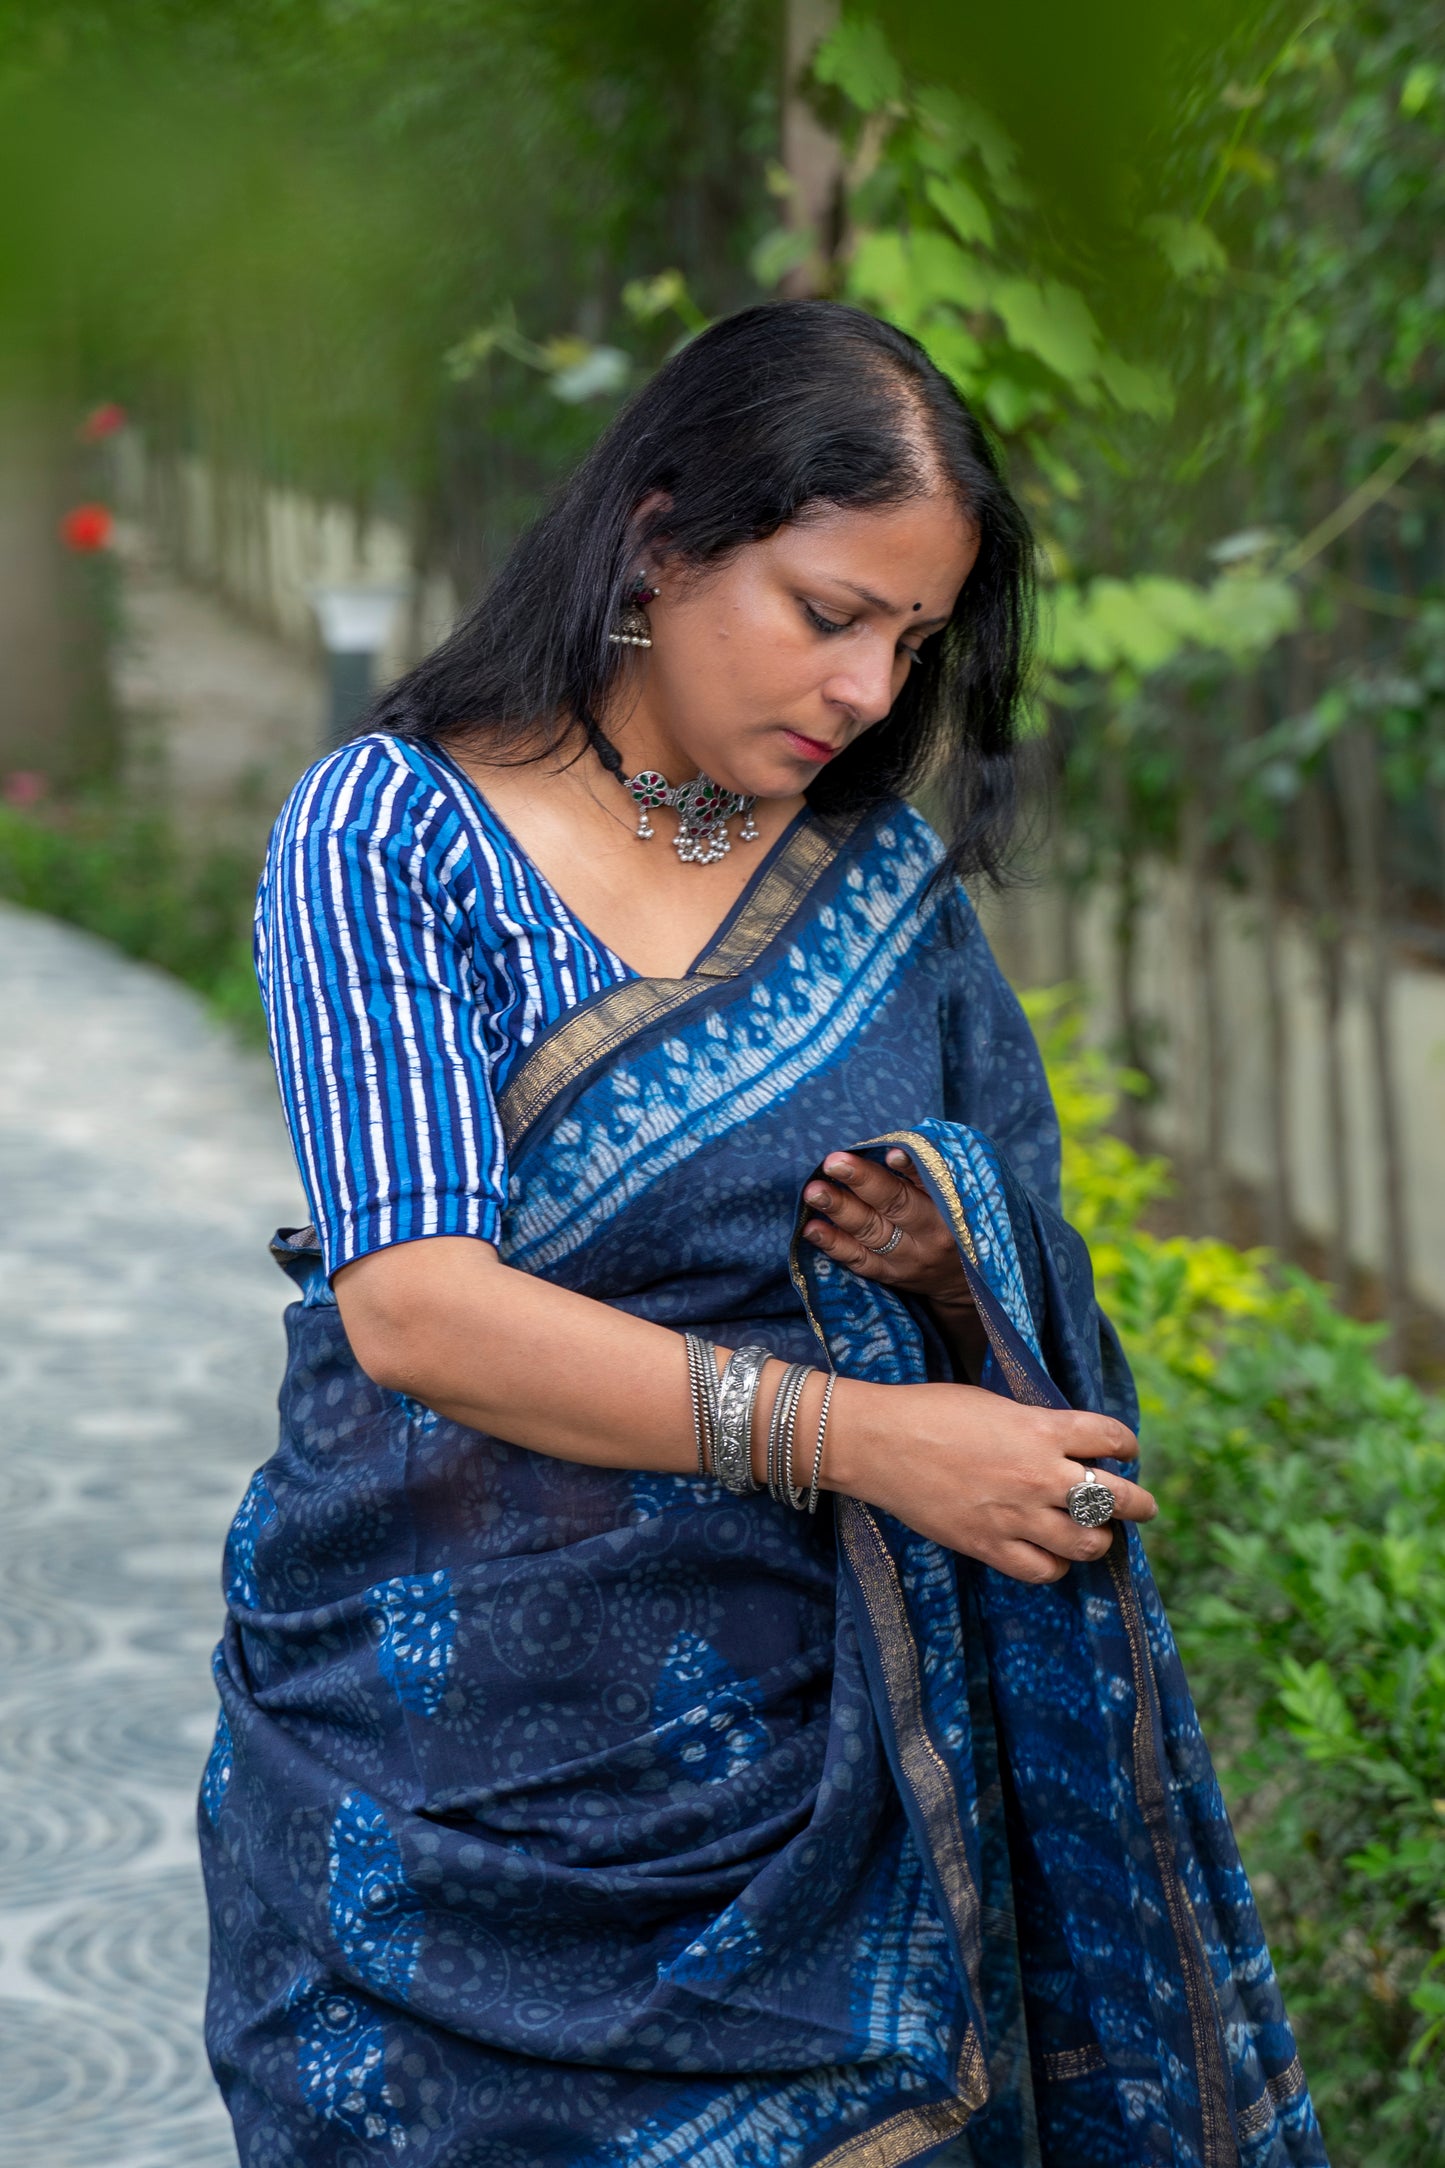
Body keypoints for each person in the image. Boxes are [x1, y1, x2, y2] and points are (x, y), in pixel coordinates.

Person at [201, 299, 1325, 2168]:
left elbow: (1032, 1261)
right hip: (442, 1797)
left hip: (834, 1803)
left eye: (913, 638)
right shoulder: (393, 834)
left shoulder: (870, 883)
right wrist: (864, 1435)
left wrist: (955, 1271)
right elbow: (415, 1310)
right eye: (827, 613)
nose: (872, 693)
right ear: (660, 539)